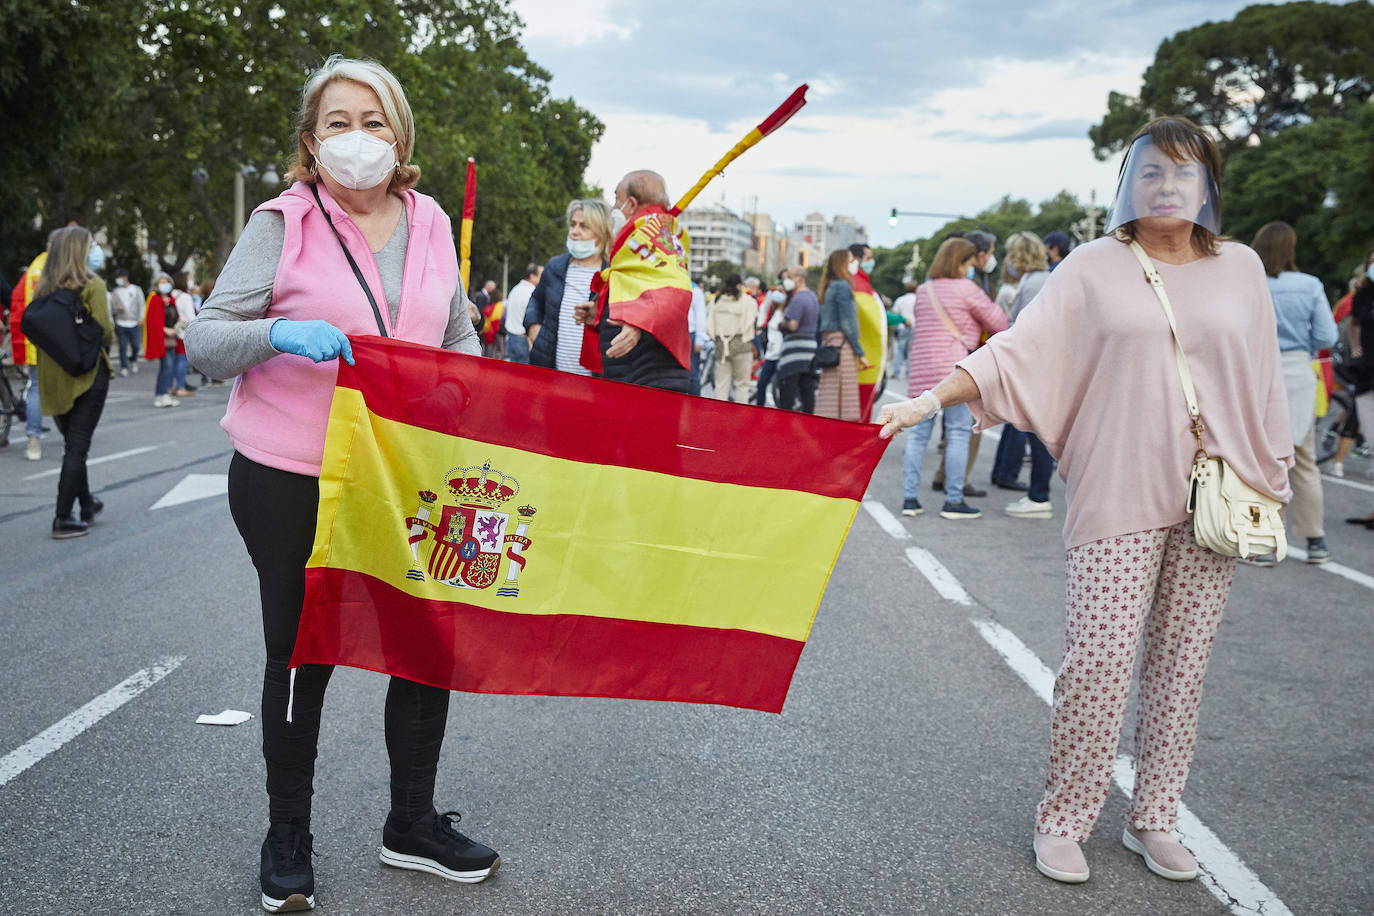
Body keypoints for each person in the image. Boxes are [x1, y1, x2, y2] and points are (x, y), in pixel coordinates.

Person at [879, 116, 1291, 885]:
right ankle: (1065, 817)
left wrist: (1271, 478)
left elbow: (1263, 376)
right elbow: (1015, 351)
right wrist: (927, 401)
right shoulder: (1096, 265)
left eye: (1183, 173)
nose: (1166, 187)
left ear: (1207, 188)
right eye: (1151, 172)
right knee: (1098, 660)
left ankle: (1155, 817)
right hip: (1118, 485)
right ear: (1128, 184)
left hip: (1218, 493)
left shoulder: (1240, 269)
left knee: (1181, 666)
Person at [183, 55, 498, 914]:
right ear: (310, 140)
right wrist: (281, 332)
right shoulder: (281, 221)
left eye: (373, 121)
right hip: (294, 477)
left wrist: (456, 382)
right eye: (336, 123)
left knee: (424, 645)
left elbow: (462, 333)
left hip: (409, 479)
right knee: (302, 653)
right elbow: (207, 340)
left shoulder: (431, 223)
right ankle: (289, 833)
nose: (355, 138)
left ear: (400, 137)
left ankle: (413, 822)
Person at [1247, 221, 1339, 566]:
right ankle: (1316, 541)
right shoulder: (1309, 285)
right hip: (1299, 371)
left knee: (1259, 458)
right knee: (1303, 458)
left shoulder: (1248, 284)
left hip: (1257, 369)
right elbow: (1328, 336)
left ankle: (1265, 543)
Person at [898, 237, 1008, 519]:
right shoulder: (967, 289)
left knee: (919, 433)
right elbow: (999, 322)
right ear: (960, 262)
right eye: (970, 263)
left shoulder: (924, 290)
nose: (972, 268)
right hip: (953, 369)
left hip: (921, 367)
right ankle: (953, 500)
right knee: (958, 432)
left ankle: (910, 499)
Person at [574, 170, 693, 392]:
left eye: (616, 198)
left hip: (648, 378)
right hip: (631, 372)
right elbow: (642, 288)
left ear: (630, 204)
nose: (613, 207)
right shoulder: (642, 238)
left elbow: (677, 292)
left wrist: (639, 324)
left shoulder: (653, 236)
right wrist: (600, 312)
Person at [30, 226, 113, 538]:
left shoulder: (43, 289)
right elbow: (105, 331)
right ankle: (62, 518)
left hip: (53, 379)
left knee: (72, 446)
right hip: (88, 376)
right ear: (80, 251)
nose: (95, 250)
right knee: (77, 448)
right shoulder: (92, 285)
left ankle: (86, 504)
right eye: (91, 244)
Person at [990, 231, 1058, 520]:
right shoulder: (1048, 279)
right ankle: (1035, 492)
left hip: (1035, 363)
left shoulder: (1031, 284)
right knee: (1031, 426)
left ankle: (1039, 496)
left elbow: (1019, 325)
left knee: (1036, 429)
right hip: (1047, 361)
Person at [525, 199, 611, 374]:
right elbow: (536, 300)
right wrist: (533, 327)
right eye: (572, 225)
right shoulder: (555, 266)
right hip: (551, 376)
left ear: (602, 233)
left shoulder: (613, 274)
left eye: (584, 226)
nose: (574, 232)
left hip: (596, 381)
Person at [813, 250, 870, 420]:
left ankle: (827, 432)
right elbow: (848, 323)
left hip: (830, 343)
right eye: (851, 260)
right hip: (842, 345)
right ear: (842, 263)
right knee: (845, 396)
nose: (854, 263)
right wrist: (860, 352)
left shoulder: (828, 285)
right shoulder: (843, 286)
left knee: (829, 396)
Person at [706, 273, 757, 402]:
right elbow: (753, 320)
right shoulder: (748, 301)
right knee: (742, 385)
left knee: (721, 385)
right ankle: (741, 417)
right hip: (742, 343)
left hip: (721, 345)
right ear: (739, 285)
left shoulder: (716, 301)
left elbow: (709, 326)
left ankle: (720, 417)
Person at [775, 265, 819, 413]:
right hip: (811, 348)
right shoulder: (813, 296)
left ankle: (783, 423)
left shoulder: (798, 298)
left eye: (790, 277)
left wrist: (782, 324)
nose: (786, 280)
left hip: (796, 350)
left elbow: (793, 325)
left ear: (800, 279)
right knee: (807, 389)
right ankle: (808, 421)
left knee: (788, 389)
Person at [143, 272, 181, 408]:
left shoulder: (171, 300)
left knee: (168, 367)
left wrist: (176, 328)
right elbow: (152, 321)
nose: (164, 285)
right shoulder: (154, 299)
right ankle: (162, 394)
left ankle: (162, 394)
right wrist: (165, 329)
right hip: (161, 338)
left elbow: (176, 317)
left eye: (166, 282)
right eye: (161, 282)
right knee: (167, 366)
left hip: (171, 338)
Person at [753, 280, 787, 406]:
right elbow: (763, 309)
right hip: (771, 353)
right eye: (777, 291)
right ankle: (758, 412)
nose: (778, 293)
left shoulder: (788, 311)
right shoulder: (773, 310)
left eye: (781, 291)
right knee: (761, 383)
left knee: (781, 389)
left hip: (782, 353)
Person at [109, 268, 146, 376]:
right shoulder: (116, 291)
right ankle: (124, 367)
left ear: (125, 277)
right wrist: (118, 309)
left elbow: (141, 304)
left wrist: (141, 318)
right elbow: (112, 307)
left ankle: (133, 359)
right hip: (121, 323)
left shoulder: (136, 289)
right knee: (122, 346)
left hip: (134, 323)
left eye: (119, 278)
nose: (118, 280)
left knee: (136, 345)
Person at [504, 263, 540, 364]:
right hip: (522, 339)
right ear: (532, 276)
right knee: (525, 375)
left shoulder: (515, 289)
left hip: (511, 337)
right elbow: (530, 318)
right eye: (541, 275)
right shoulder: (531, 292)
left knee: (514, 374)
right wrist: (530, 340)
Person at [169, 273, 197, 396]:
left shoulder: (171, 294)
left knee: (172, 360)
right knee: (182, 360)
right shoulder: (185, 296)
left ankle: (169, 386)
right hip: (183, 331)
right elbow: (191, 316)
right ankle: (180, 387)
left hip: (172, 330)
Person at [891, 280, 916, 378]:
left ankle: (896, 372)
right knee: (911, 351)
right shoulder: (918, 299)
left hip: (902, 326)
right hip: (915, 327)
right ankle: (908, 373)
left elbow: (895, 313)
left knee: (900, 349)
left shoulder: (900, 300)